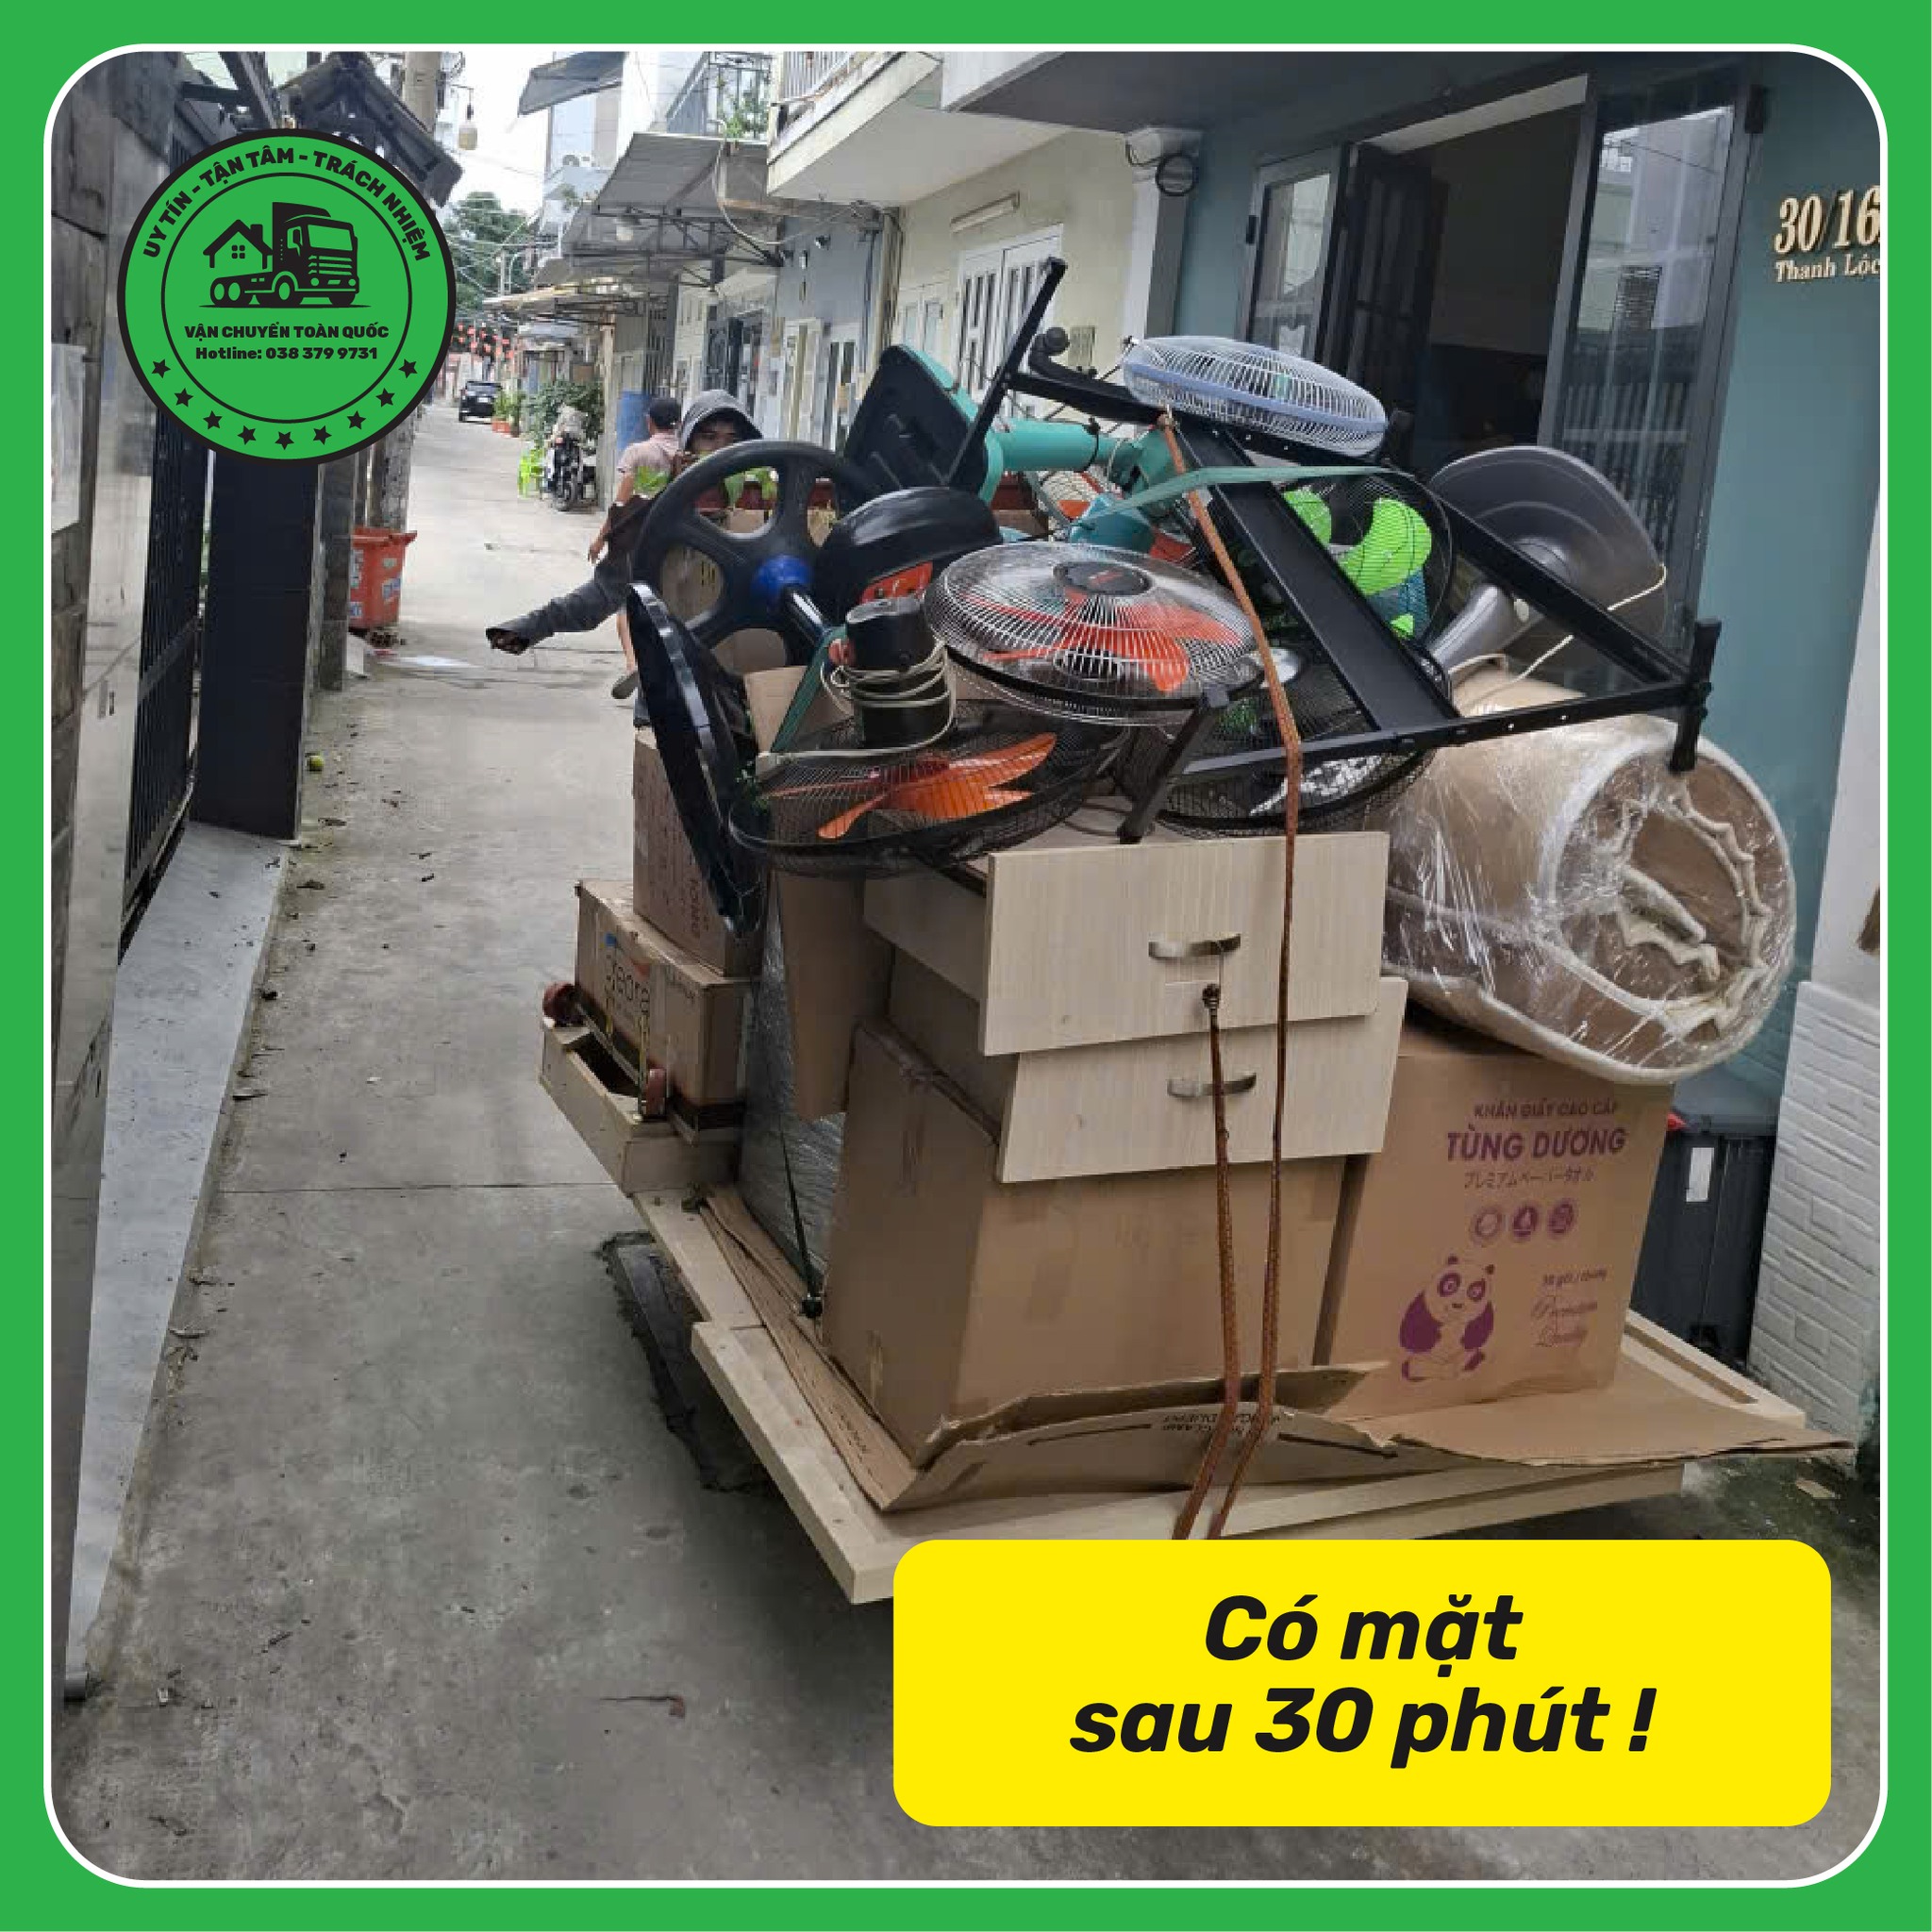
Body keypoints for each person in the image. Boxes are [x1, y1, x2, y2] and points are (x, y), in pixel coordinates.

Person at [486, 391, 762, 686]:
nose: (721, 450)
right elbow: (602, 591)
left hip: (745, 664)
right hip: (675, 664)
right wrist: (533, 627)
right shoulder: (660, 515)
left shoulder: (765, 510)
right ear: (687, 445)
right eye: (709, 438)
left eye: (733, 440)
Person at [595, 395, 682, 701]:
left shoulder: (638, 452)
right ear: (678, 423)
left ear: (649, 422)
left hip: (637, 540)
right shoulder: (686, 456)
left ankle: (634, 664)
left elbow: (622, 505)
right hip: (675, 541)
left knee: (628, 603)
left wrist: (601, 538)